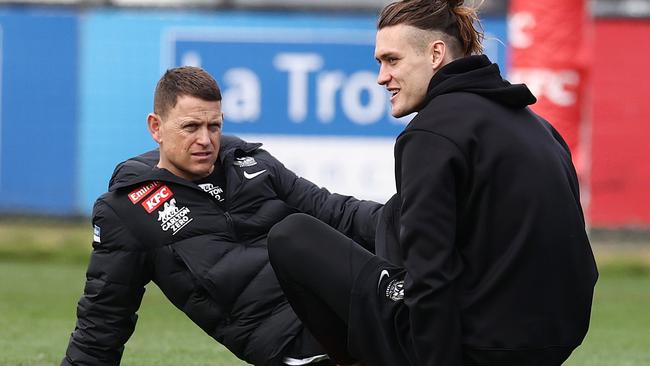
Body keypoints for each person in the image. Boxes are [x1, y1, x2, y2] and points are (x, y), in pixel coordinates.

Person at [267, 1, 599, 365]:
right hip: (549, 345)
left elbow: (429, 272)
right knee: (394, 220)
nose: (381, 77)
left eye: (391, 60)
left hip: (476, 348)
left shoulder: (432, 132)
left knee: (293, 236)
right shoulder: (539, 128)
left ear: (436, 53)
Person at [61, 66, 382, 366]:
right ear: (156, 127)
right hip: (300, 349)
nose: (205, 140)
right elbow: (103, 319)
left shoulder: (250, 162)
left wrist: (406, 220)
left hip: (355, 310)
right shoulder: (129, 211)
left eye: (213, 126)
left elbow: (334, 211)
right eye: (191, 127)